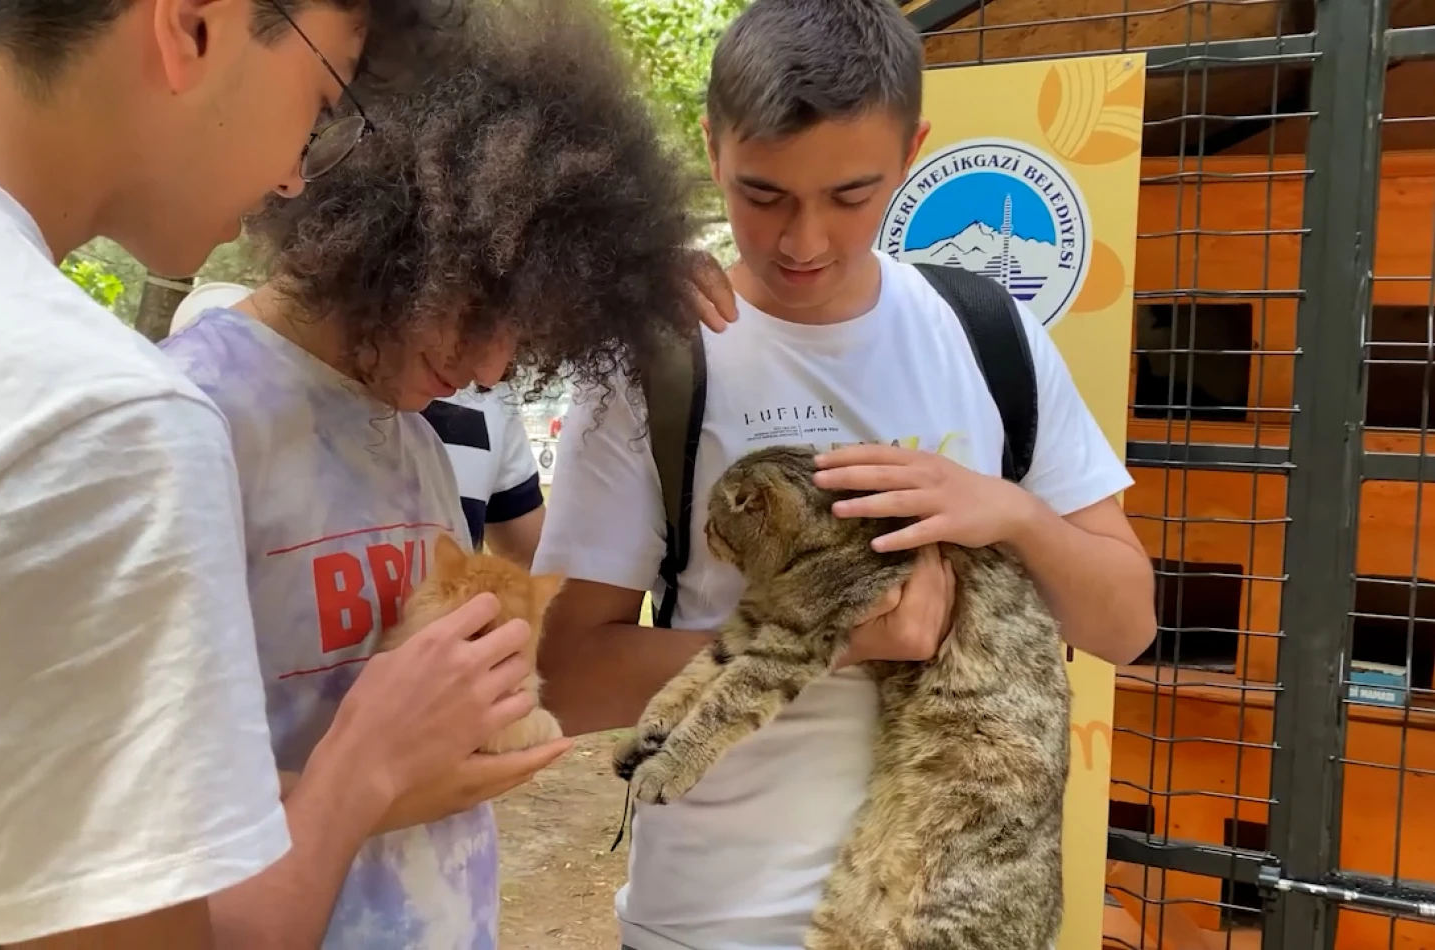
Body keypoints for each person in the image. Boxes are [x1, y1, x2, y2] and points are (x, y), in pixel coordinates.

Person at [0, 0, 730, 946]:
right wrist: (372, 768)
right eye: (316, 96)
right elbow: (156, 847)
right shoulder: (152, 417)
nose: (294, 173)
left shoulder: (419, 442)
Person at [532, 1, 1160, 948]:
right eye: (764, 194)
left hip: (945, 915)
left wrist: (1012, 515)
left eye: (852, 195)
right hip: (714, 922)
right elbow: (567, 677)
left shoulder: (988, 334)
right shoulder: (657, 361)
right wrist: (848, 638)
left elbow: (1128, 624)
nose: (803, 242)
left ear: (913, 152)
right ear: (711, 148)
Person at [155, 0, 706, 943]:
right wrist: (380, 785)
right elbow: (143, 804)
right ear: (393, 233)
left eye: (527, 330)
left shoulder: (405, 425)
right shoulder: (189, 421)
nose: (493, 369)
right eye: (483, 308)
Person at [174, 286, 549, 567]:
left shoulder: (419, 446)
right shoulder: (181, 412)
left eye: (519, 338)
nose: (489, 374)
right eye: (478, 316)